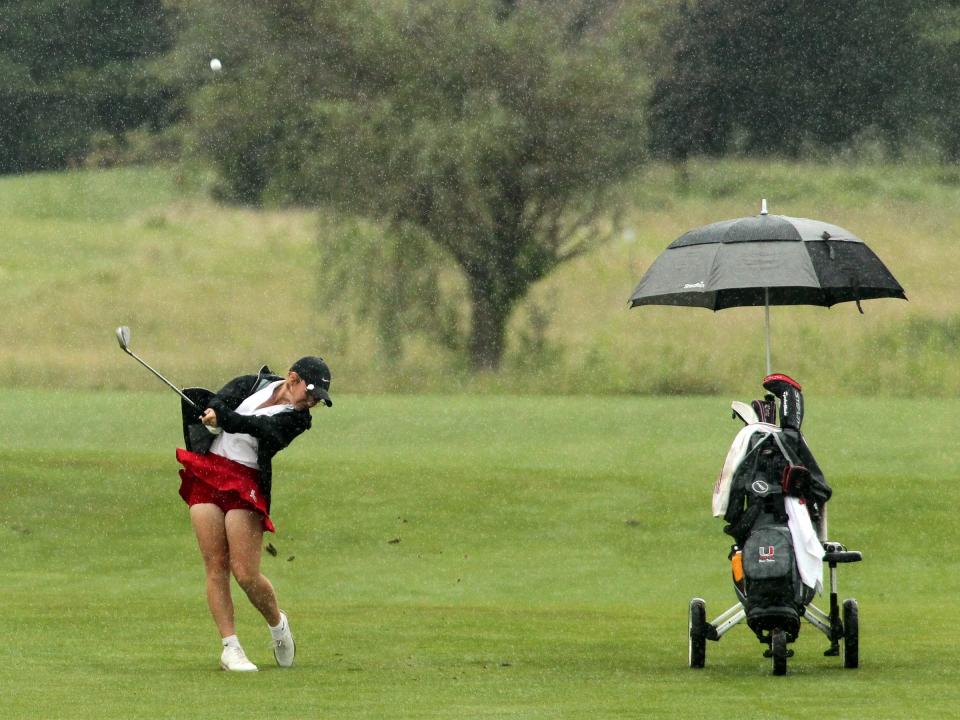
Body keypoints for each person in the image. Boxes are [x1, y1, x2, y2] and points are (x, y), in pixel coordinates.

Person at [175, 356, 333, 672]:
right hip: (208, 470)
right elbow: (222, 398)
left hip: (245, 479)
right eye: (310, 393)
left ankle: (277, 624)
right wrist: (213, 413)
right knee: (215, 565)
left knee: (245, 573)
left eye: (318, 399)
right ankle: (230, 648)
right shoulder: (253, 383)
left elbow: (261, 428)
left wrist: (224, 417)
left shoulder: (298, 420)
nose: (312, 402)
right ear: (292, 378)